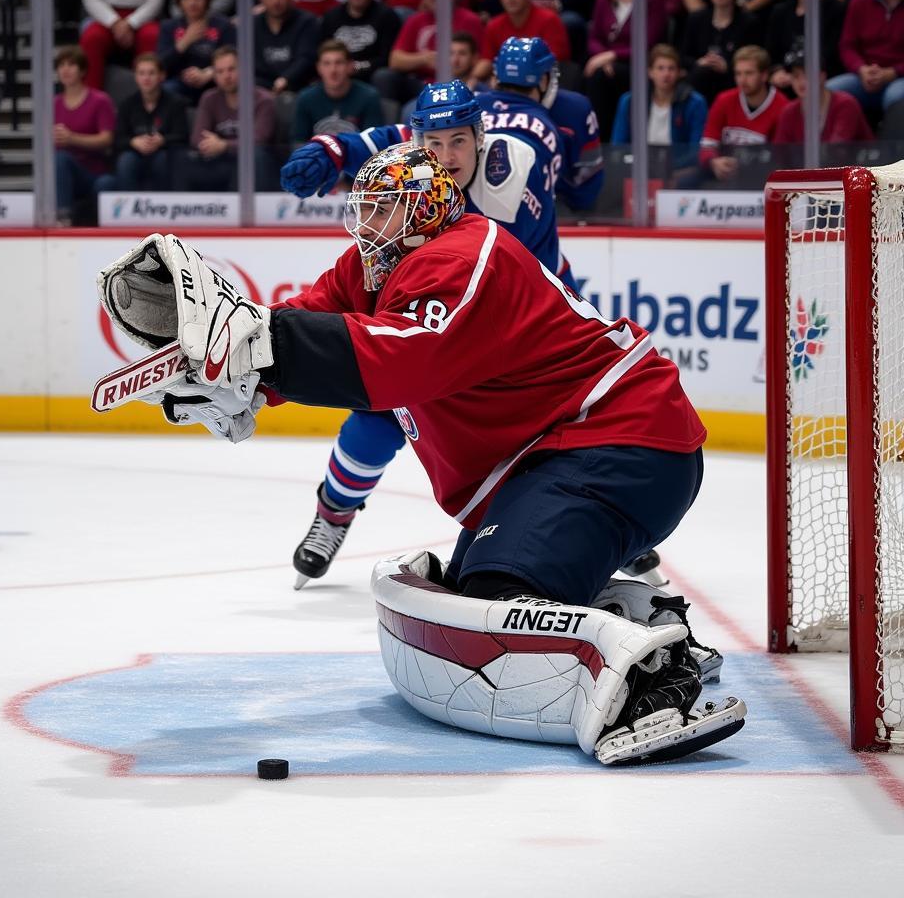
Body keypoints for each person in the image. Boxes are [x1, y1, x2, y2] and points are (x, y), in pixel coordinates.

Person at [97, 146, 744, 764]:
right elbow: (308, 318)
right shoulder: (373, 266)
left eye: (384, 206)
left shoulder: (467, 255)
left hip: (619, 440)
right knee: (475, 594)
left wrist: (267, 345)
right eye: (364, 205)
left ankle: (654, 683)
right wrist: (237, 378)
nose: (366, 221)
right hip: (556, 455)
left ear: (428, 207)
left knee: (500, 594)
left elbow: (403, 356)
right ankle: (638, 616)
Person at [278, 41, 602, 584]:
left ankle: (594, 512)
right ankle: (332, 513)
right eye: (433, 143)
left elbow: (508, 286)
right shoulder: (420, 164)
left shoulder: (508, 180)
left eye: (459, 141)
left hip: (526, 314)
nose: (447, 156)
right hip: (455, 306)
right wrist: (331, 151)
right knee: (382, 413)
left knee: (552, 419)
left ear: (481, 139)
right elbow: (380, 142)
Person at [583, 0, 667, 139]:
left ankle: (612, 142)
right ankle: (596, 141)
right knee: (597, 77)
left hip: (639, 63)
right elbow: (594, 37)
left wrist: (608, 56)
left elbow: (648, 43)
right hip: (607, 64)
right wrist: (603, 58)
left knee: (602, 77)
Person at [376, 0, 485, 104]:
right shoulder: (415, 20)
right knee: (384, 77)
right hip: (422, 86)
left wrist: (471, 77)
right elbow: (395, 60)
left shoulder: (470, 20)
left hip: (458, 86)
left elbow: (484, 59)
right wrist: (424, 59)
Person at [827, 0, 904, 121]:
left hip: (899, 77)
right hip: (865, 76)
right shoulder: (860, 1)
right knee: (828, 91)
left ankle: (895, 149)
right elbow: (847, 46)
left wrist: (893, 72)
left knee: (896, 97)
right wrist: (861, 69)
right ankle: (837, 147)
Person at [185, 46, 279, 191]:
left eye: (231, 69)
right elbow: (197, 137)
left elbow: (259, 139)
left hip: (255, 164)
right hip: (221, 161)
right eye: (220, 72)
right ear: (214, 76)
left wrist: (224, 145)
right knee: (186, 160)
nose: (226, 76)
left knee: (255, 155)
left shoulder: (263, 99)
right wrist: (213, 146)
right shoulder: (209, 98)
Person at [698, 45, 788, 181]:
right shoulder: (724, 100)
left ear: (764, 75)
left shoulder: (782, 106)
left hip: (761, 179)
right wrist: (713, 161)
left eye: (749, 73)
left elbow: (780, 159)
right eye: (738, 73)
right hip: (724, 176)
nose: (742, 80)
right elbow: (707, 144)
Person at [611, 44, 707, 171]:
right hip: (638, 169)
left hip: (678, 170)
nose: (666, 74)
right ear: (650, 72)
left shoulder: (694, 103)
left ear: (679, 72)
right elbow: (618, 145)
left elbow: (695, 150)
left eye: (671, 69)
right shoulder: (630, 101)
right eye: (660, 68)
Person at [53, 45, 116, 224]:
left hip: (93, 172)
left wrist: (72, 138)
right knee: (60, 159)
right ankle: (63, 217)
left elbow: (107, 139)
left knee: (105, 183)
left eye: (71, 64)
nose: (65, 69)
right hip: (64, 169)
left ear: (82, 70)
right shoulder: (53, 104)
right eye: (61, 65)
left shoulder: (100, 100)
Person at [474, 0, 571, 84]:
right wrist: (471, 78)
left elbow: (555, 61)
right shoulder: (493, 25)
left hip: (542, 83)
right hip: (506, 85)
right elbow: (487, 60)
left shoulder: (550, 20)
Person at [110, 53, 189, 191]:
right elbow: (118, 139)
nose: (146, 78)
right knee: (126, 160)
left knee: (162, 159)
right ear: (135, 77)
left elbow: (182, 135)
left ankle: (162, 206)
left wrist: (162, 140)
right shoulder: (126, 105)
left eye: (151, 73)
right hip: (135, 154)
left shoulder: (176, 103)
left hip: (165, 154)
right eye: (141, 73)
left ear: (162, 76)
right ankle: (127, 208)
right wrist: (133, 142)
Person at [765, 0, 845, 91]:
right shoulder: (780, 12)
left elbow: (831, 52)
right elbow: (771, 50)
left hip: (822, 77)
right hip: (784, 76)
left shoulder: (835, 10)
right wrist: (777, 71)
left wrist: (798, 76)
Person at [680, 0, 756, 104]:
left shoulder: (748, 23)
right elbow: (683, 56)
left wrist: (727, 66)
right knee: (701, 73)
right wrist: (699, 62)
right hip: (699, 76)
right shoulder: (696, 19)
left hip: (731, 78)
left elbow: (752, 57)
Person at [319, 0, 402, 83]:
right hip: (338, 79)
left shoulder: (387, 16)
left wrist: (356, 67)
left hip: (373, 79)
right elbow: (323, 54)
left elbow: (388, 59)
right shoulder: (331, 18)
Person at [292, 40, 385, 146]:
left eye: (339, 63)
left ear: (350, 66)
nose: (333, 70)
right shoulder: (306, 98)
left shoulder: (369, 97)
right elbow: (298, 143)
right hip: (318, 160)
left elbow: (374, 144)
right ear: (319, 68)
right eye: (327, 63)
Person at [158, 0, 234, 103]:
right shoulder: (169, 27)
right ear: (179, 1)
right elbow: (160, 65)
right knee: (165, 91)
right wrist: (184, 42)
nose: (192, 3)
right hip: (179, 83)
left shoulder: (223, 26)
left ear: (207, 0)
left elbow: (234, 60)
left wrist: (208, 74)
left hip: (215, 83)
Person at [773, 51, 874, 144]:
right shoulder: (789, 112)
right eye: (796, 76)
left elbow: (836, 151)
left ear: (822, 76)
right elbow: (780, 155)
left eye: (807, 75)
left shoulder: (845, 104)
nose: (801, 82)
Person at [253, 0, 321, 95]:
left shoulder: (307, 21)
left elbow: (306, 58)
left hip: (298, 87)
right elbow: (252, 63)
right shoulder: (253, 24)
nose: (276, 1)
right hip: (261, 89)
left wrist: (286, 79)